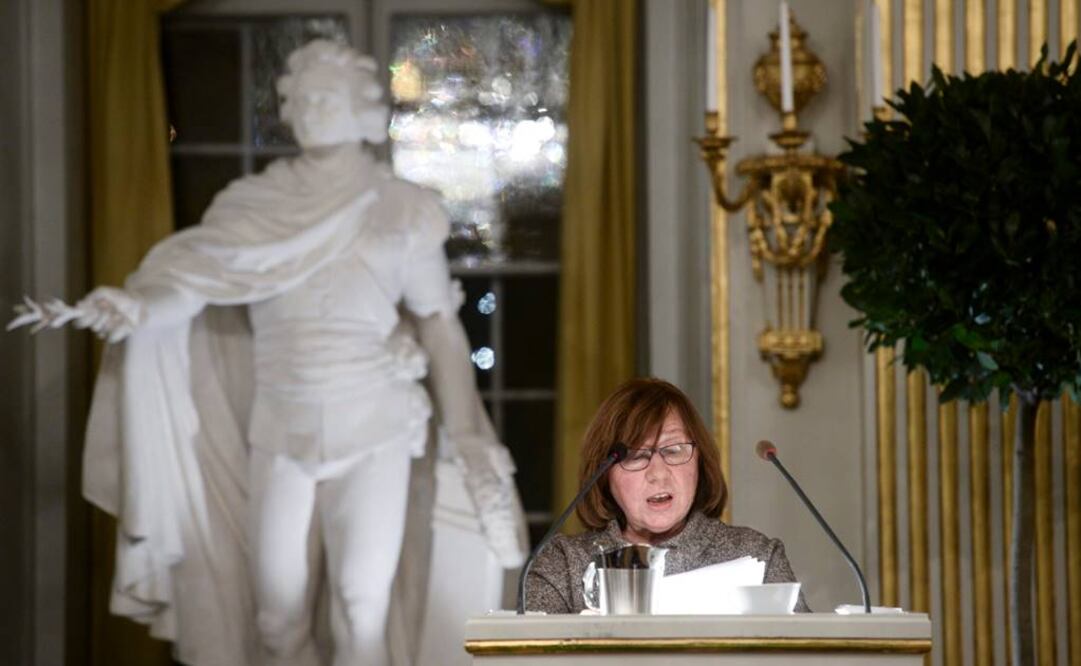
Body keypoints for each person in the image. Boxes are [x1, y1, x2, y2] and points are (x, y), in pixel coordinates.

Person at [48, 40, 526, 666]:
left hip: (372, 424)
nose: (309, 107)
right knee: (274, 616)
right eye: (298, 97)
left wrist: (466, 431)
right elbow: (188, 284)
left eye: (325, 95)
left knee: (361, 609)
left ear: (363, 109)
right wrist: (137, 309)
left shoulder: (401, 210)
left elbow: (439, 327)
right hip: (279, 426)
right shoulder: (250, 207)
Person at [525, 377, 809, 614]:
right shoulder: (562, 563)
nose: (658, 473)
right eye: (636, 456)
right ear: (604, 474)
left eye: (673, 450)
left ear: (700, 461)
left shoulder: (757, 554)